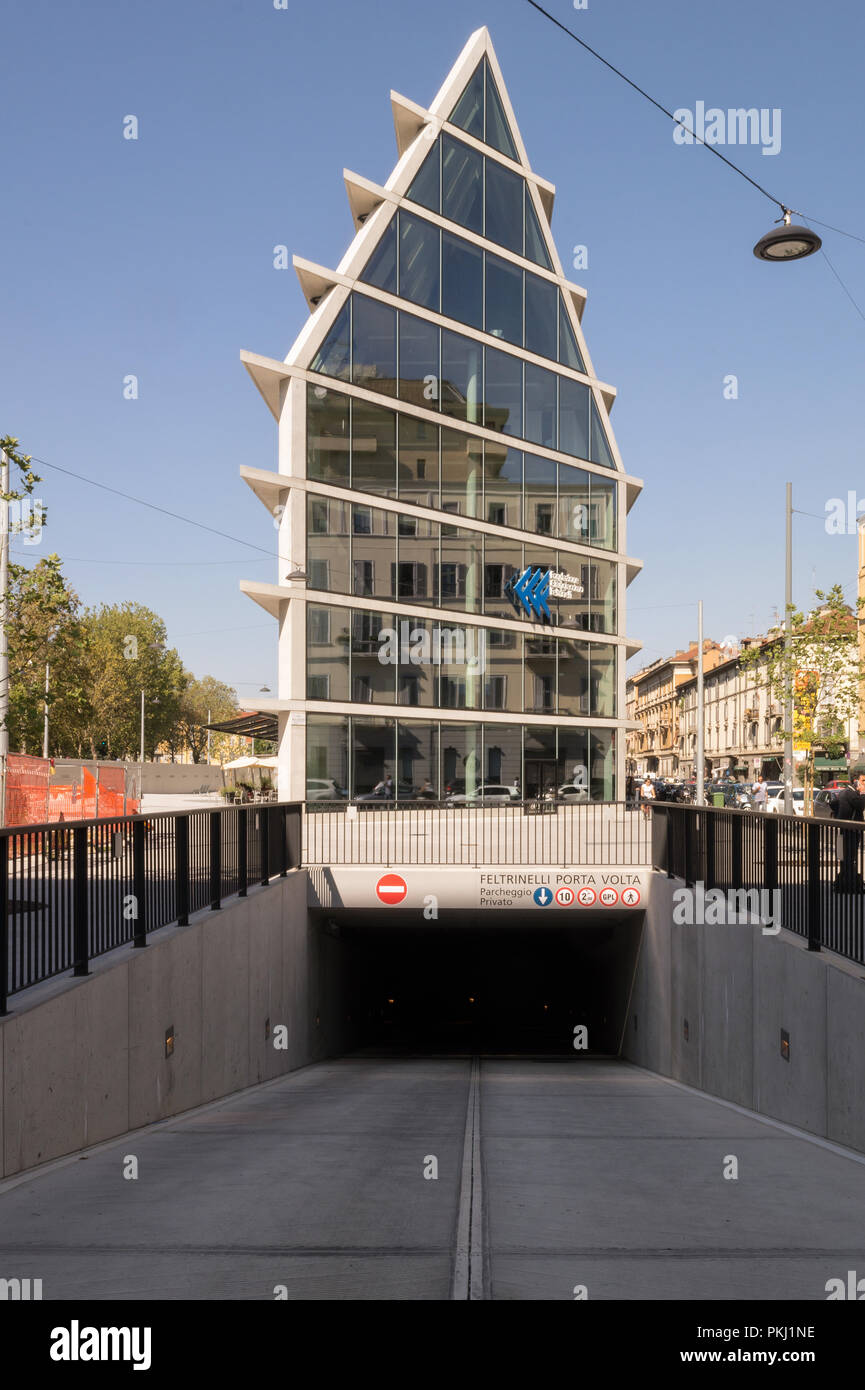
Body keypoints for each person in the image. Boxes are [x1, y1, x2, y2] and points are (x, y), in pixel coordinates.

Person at [832, 765, 865, 893]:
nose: (864, 784)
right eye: (863, 781)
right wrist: (862, 793)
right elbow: (861, 805)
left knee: (846, 858)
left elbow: (832, 803)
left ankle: (846, 882)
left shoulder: (845, 792)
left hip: (846, 831)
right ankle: (849, 884)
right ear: (856, 781)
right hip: (850, 831)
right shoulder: (851, 793)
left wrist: (840, 814)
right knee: (849, 857)